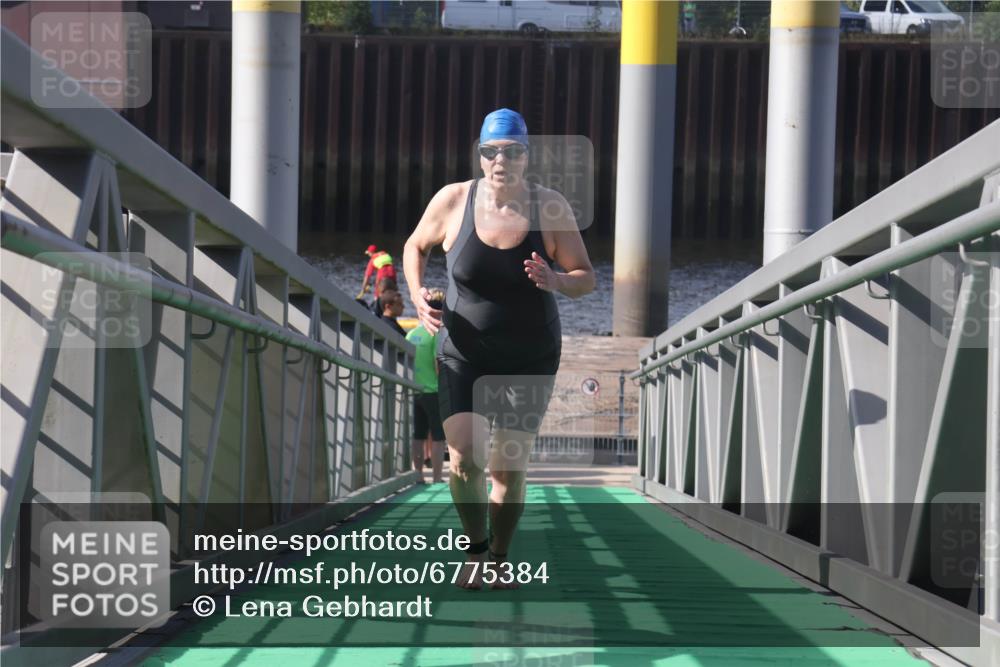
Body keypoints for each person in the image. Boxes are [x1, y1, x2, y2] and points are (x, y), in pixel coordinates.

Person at [403, 108, 595, 590]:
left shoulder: (550, 207)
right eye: (490, 151)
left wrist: (556, 280)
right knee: (464, 458)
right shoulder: (453, 200)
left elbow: (586, 278)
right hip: (463, 352)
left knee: (507, 469)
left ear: (527, 156)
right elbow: (415, 245)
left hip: (529, 357)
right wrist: (416, 292)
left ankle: (500, 558)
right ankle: (475, 551)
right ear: (480, 155)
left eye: (511, 151)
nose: (500, 161)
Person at [406, 288, 448, 485]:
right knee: (438, 436)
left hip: (415, 390)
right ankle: (437, 477)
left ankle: (418, 475)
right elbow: (437, 364)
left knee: (419, 434)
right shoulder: (436, 334)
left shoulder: (412, 334)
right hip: (433, 390)